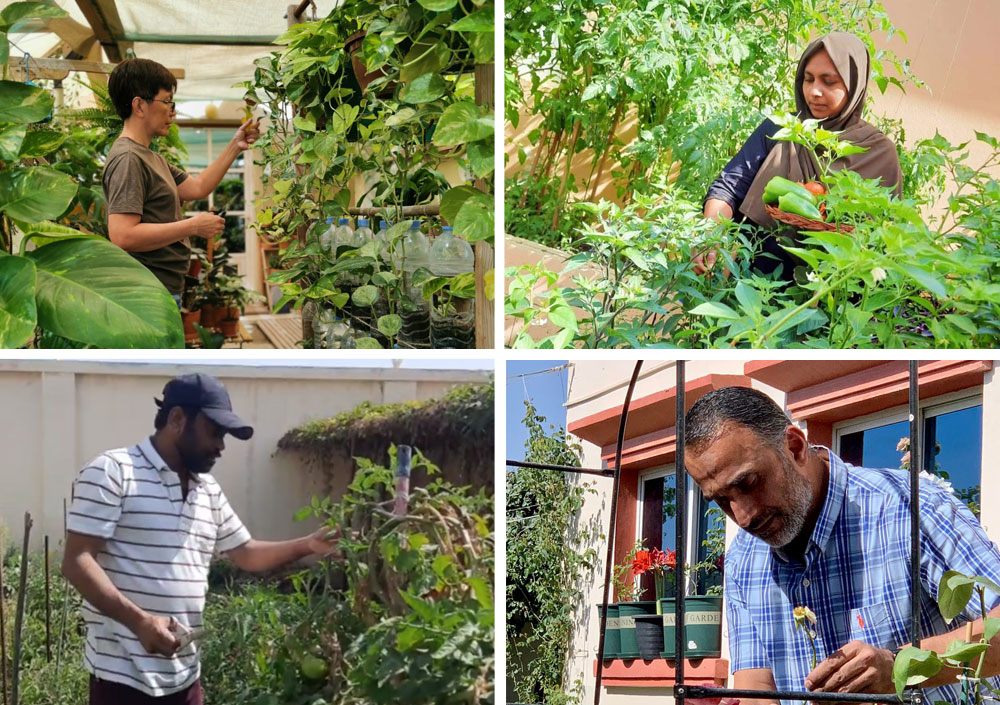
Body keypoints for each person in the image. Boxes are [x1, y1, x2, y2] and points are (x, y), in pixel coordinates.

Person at [682, 386, 1000, 705]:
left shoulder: (912, 508)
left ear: (794, 447)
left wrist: (900, 667)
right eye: (721, 500)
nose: (743, 516)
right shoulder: (742, 559)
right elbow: (758, 688)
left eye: (748, 483)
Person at [62, 373, 340, 704]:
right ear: (177, 419)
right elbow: (77, 561)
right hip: (123, 679)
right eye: (214, 431)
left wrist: (307, 544)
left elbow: (246, 553)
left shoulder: (207, 490)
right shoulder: (114, 471)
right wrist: (140, 623)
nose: (221, 445)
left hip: (186, 678)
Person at [698, 32, 903, 277]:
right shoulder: (783, 128)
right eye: (808, 79)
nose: (814, 91)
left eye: (829, 82)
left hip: (830, 295)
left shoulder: (878, 153)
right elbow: (728, 187)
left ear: (854, 84)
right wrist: (711, 235)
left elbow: (885, 237)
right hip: (752, 284)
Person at [102, 58, 261, 305]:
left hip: (161, 288)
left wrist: (235, 146)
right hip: (147, 293)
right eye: (167, 101)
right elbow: (123, 235)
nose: (172, 110)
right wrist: (192, 226)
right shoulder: (128, 158)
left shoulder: (150, 157)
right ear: (139, 106)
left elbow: (197, 187)